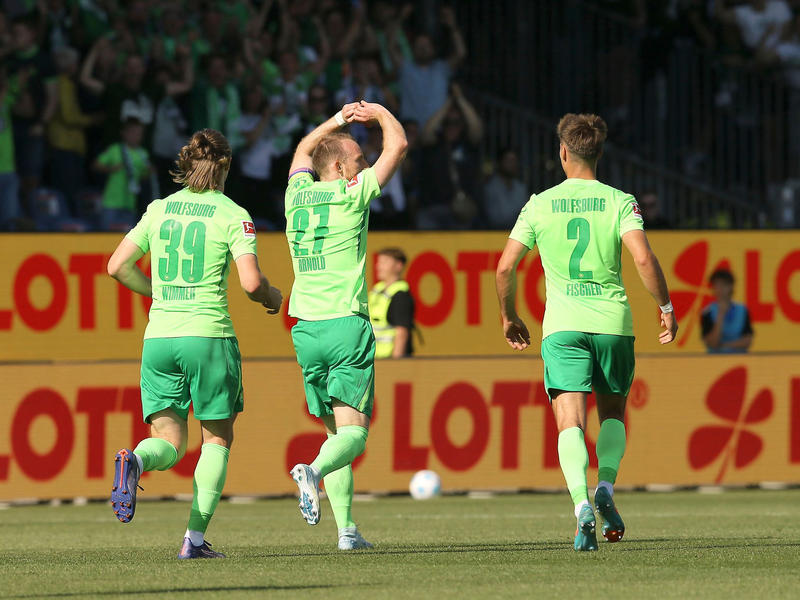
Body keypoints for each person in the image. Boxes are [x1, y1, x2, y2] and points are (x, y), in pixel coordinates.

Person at [495, 114, 678, 552]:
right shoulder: (619, 201)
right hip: (613, 323)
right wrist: (666, 308)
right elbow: (644, 259)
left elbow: (504, 267)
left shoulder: (539, 204)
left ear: (563, 152)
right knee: (612, 413)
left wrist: (509, 316)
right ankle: (606, 489)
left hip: (562, 326)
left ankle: (580, 505)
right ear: (599, 153)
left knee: (570, 421)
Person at [106, 128, 283, 559]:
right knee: (216, 441)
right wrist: (272, 297)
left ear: (186, 164)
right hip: (207, 335)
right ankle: (195, 540)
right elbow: (251, 283)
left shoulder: (159, 208)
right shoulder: (232, 213)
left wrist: (157, 293)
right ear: (225, 166)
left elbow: (117, 266)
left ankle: (137, 461)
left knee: (168, 441)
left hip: (159, 337)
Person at [285, 100, 407, 550]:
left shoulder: (295, 195)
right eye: (358, 160)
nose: (365, 165)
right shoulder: (351, 193)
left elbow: (303, 148)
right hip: (344, 324)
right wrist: (378, 112)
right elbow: (399, 146)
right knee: (354, 432)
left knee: (335, 432)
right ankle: (312, 472)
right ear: (338, 167)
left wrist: (338, 120)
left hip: (305, 329)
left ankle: (347, 532)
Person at [92, 118, 151, 231]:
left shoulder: (143, 154)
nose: (136, 136)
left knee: (128, 237)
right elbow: (96, 165)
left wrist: (149, 172)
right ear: (124, 133)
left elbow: (145, 177)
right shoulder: (115, 149)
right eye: (133, 133)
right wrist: (111, 169)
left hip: (130, 203)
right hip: (111, 202)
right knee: (106, 235)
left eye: (139, 133)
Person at [369, 248, 415, 358]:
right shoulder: (377, 290)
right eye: (378, 262)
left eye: (385, 262)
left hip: (388, 359)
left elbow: (401, 332)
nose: (378, 266)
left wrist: (395, 364)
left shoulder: (400, 295)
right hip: (374, 358)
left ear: (398, 266)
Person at [702, 269, 754, 353]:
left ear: (731, 286)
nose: (720, 289)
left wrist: (725, 346)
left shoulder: (742, 310)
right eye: (717, 285)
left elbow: (747, 340)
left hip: (739, 357)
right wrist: (720, 315)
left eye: (724, 285)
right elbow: (712, 343)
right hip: (715, 358)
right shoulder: (707, 312)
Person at [484, 148, 529, 230]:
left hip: (520, 233)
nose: (512, 164)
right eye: (508, 161)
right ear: (500, 163)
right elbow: (494, 219)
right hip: (496, 233)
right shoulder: (491, 187)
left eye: (514, 161)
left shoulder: (521, 188)